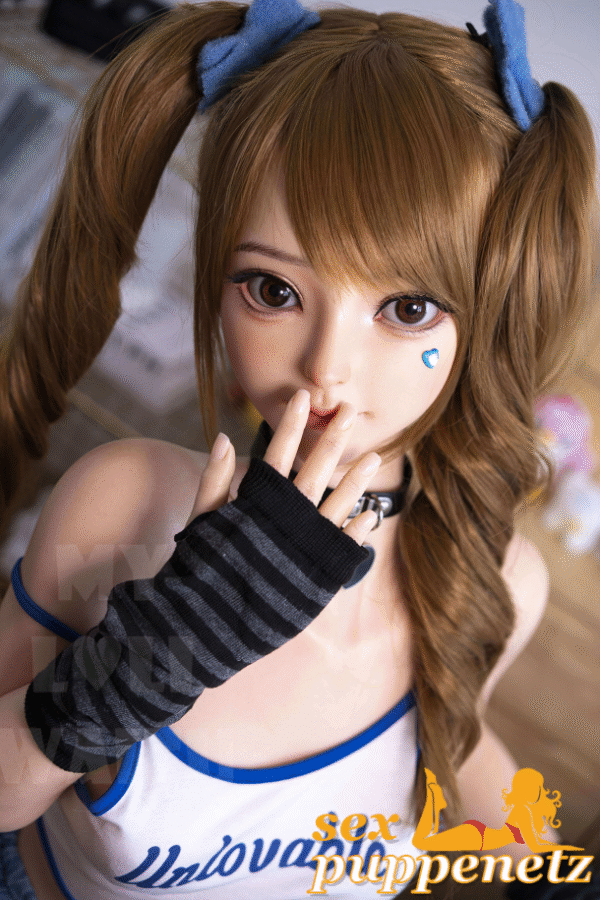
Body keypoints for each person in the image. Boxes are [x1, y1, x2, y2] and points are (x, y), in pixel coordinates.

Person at [0, 0, 597, 897]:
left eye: (406, 309)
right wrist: (152, 660)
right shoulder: (122, 508)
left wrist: (550, 870)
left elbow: (456, 745)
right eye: (272, 290)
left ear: (487, 316)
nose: (326, 367)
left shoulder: (499, 578)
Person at [412, 767, 583, 853]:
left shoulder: (522, 810)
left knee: (422, 841)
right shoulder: (523, 811)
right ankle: (435, 799)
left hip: (481, 836)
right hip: (481, 837)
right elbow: (535, 845)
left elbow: (535, 845)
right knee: (422, 842)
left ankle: (435, 800)